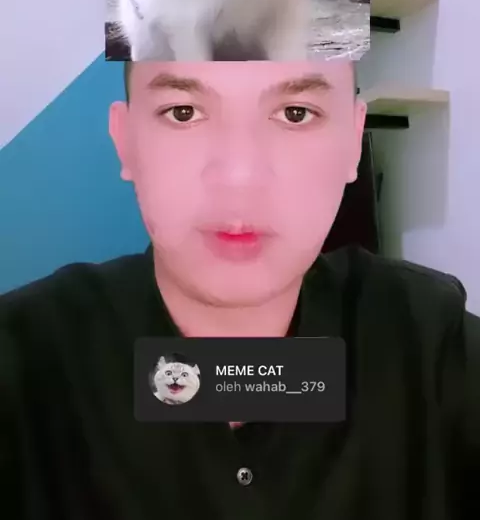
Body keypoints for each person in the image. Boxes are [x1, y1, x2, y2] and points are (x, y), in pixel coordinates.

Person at [0, 59, 478, 519]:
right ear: (124, 141)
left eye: (296, 113)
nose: (239, 177)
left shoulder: (430, 346)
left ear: (354, 142)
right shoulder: (26, 363)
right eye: (183, 112)